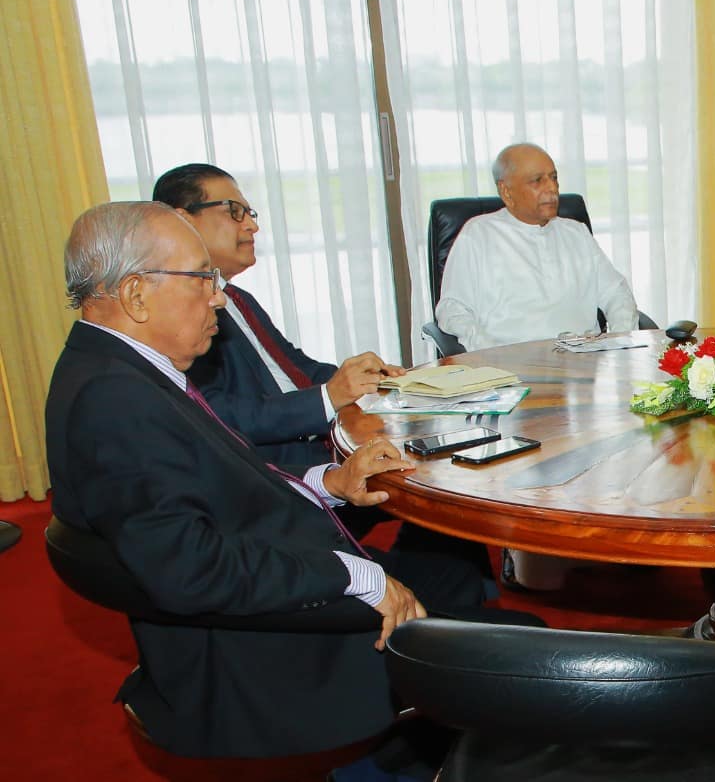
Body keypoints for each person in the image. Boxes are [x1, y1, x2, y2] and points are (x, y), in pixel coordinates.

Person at [45, 202, 525, 759]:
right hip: (270, 655)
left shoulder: (119, 369)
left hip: (277, 580)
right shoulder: (115, 401)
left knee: (452, 565)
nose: (219, 298)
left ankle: (419, 741)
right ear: (134, 294)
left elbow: (223, 474)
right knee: (528, 650)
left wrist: (330, 481)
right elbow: (187, 569)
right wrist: (353, 575)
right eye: (203, 279)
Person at [153, 163, 403, 469]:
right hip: (281, 472)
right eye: (234, 211)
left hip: (325, 443)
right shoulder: (180, 317)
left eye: (250, 214)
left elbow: (295, 367)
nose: (252, 226)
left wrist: (368, 382)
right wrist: (328, 397)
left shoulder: (237, 299)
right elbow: (217, 414)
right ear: (183, 221)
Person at [435, 142, 639, 352]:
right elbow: (453, 310)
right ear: (506, 191)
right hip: (513, 367)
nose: (551, 188)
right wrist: (489, 354)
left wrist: (619, 342)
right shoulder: (478, 235)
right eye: (537, 181)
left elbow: (617, 293)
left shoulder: (576, 233)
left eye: (554, 178)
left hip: (583, 365)